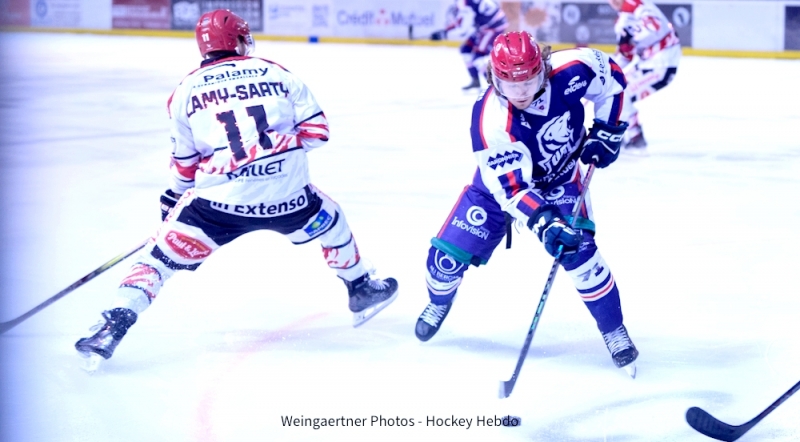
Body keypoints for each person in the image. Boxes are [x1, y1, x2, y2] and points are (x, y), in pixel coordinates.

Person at [75, 9, 398, 369]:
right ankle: (361, 288)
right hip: (289, 200)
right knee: (332, 220)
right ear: (239, 40)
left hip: (217, 206)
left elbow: (184, 165)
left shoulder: (186, 90)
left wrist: (172, 204)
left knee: (157, 260)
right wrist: (275, 155)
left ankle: (111, 327)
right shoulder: (276, 72)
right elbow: (318, 134)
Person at [414, 31, 639, 376]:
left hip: (561, 178)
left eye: (529, 80)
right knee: (443, 262)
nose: (520, 92)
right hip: (498, 190)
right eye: (509, 83)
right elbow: (512, 190)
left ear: (544, 68)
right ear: (494, 76)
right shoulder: (490, 121)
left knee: (580, 254)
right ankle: (438, 302)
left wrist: (608, 129)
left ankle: (613, 330)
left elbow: (613, 79)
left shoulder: (573, 68)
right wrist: (546, 223)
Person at [608, 0, 680, 151]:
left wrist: (631, 36)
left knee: (623, 94)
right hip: (649, 65)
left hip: (662, 65)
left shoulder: (638, 6)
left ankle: (635, 137)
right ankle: (618, 134)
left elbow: (655, 26)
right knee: (615, 91)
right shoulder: (622, 20)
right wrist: (609, 70)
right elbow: (626, 56)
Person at [430, 0, 509, 91]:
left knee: (478, 56)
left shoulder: (465, 3)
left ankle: (495, 86)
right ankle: (475, 80)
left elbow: (463, 28)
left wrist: (444, 33)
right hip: (486, 26)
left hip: (491, 28)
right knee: (465, 49)